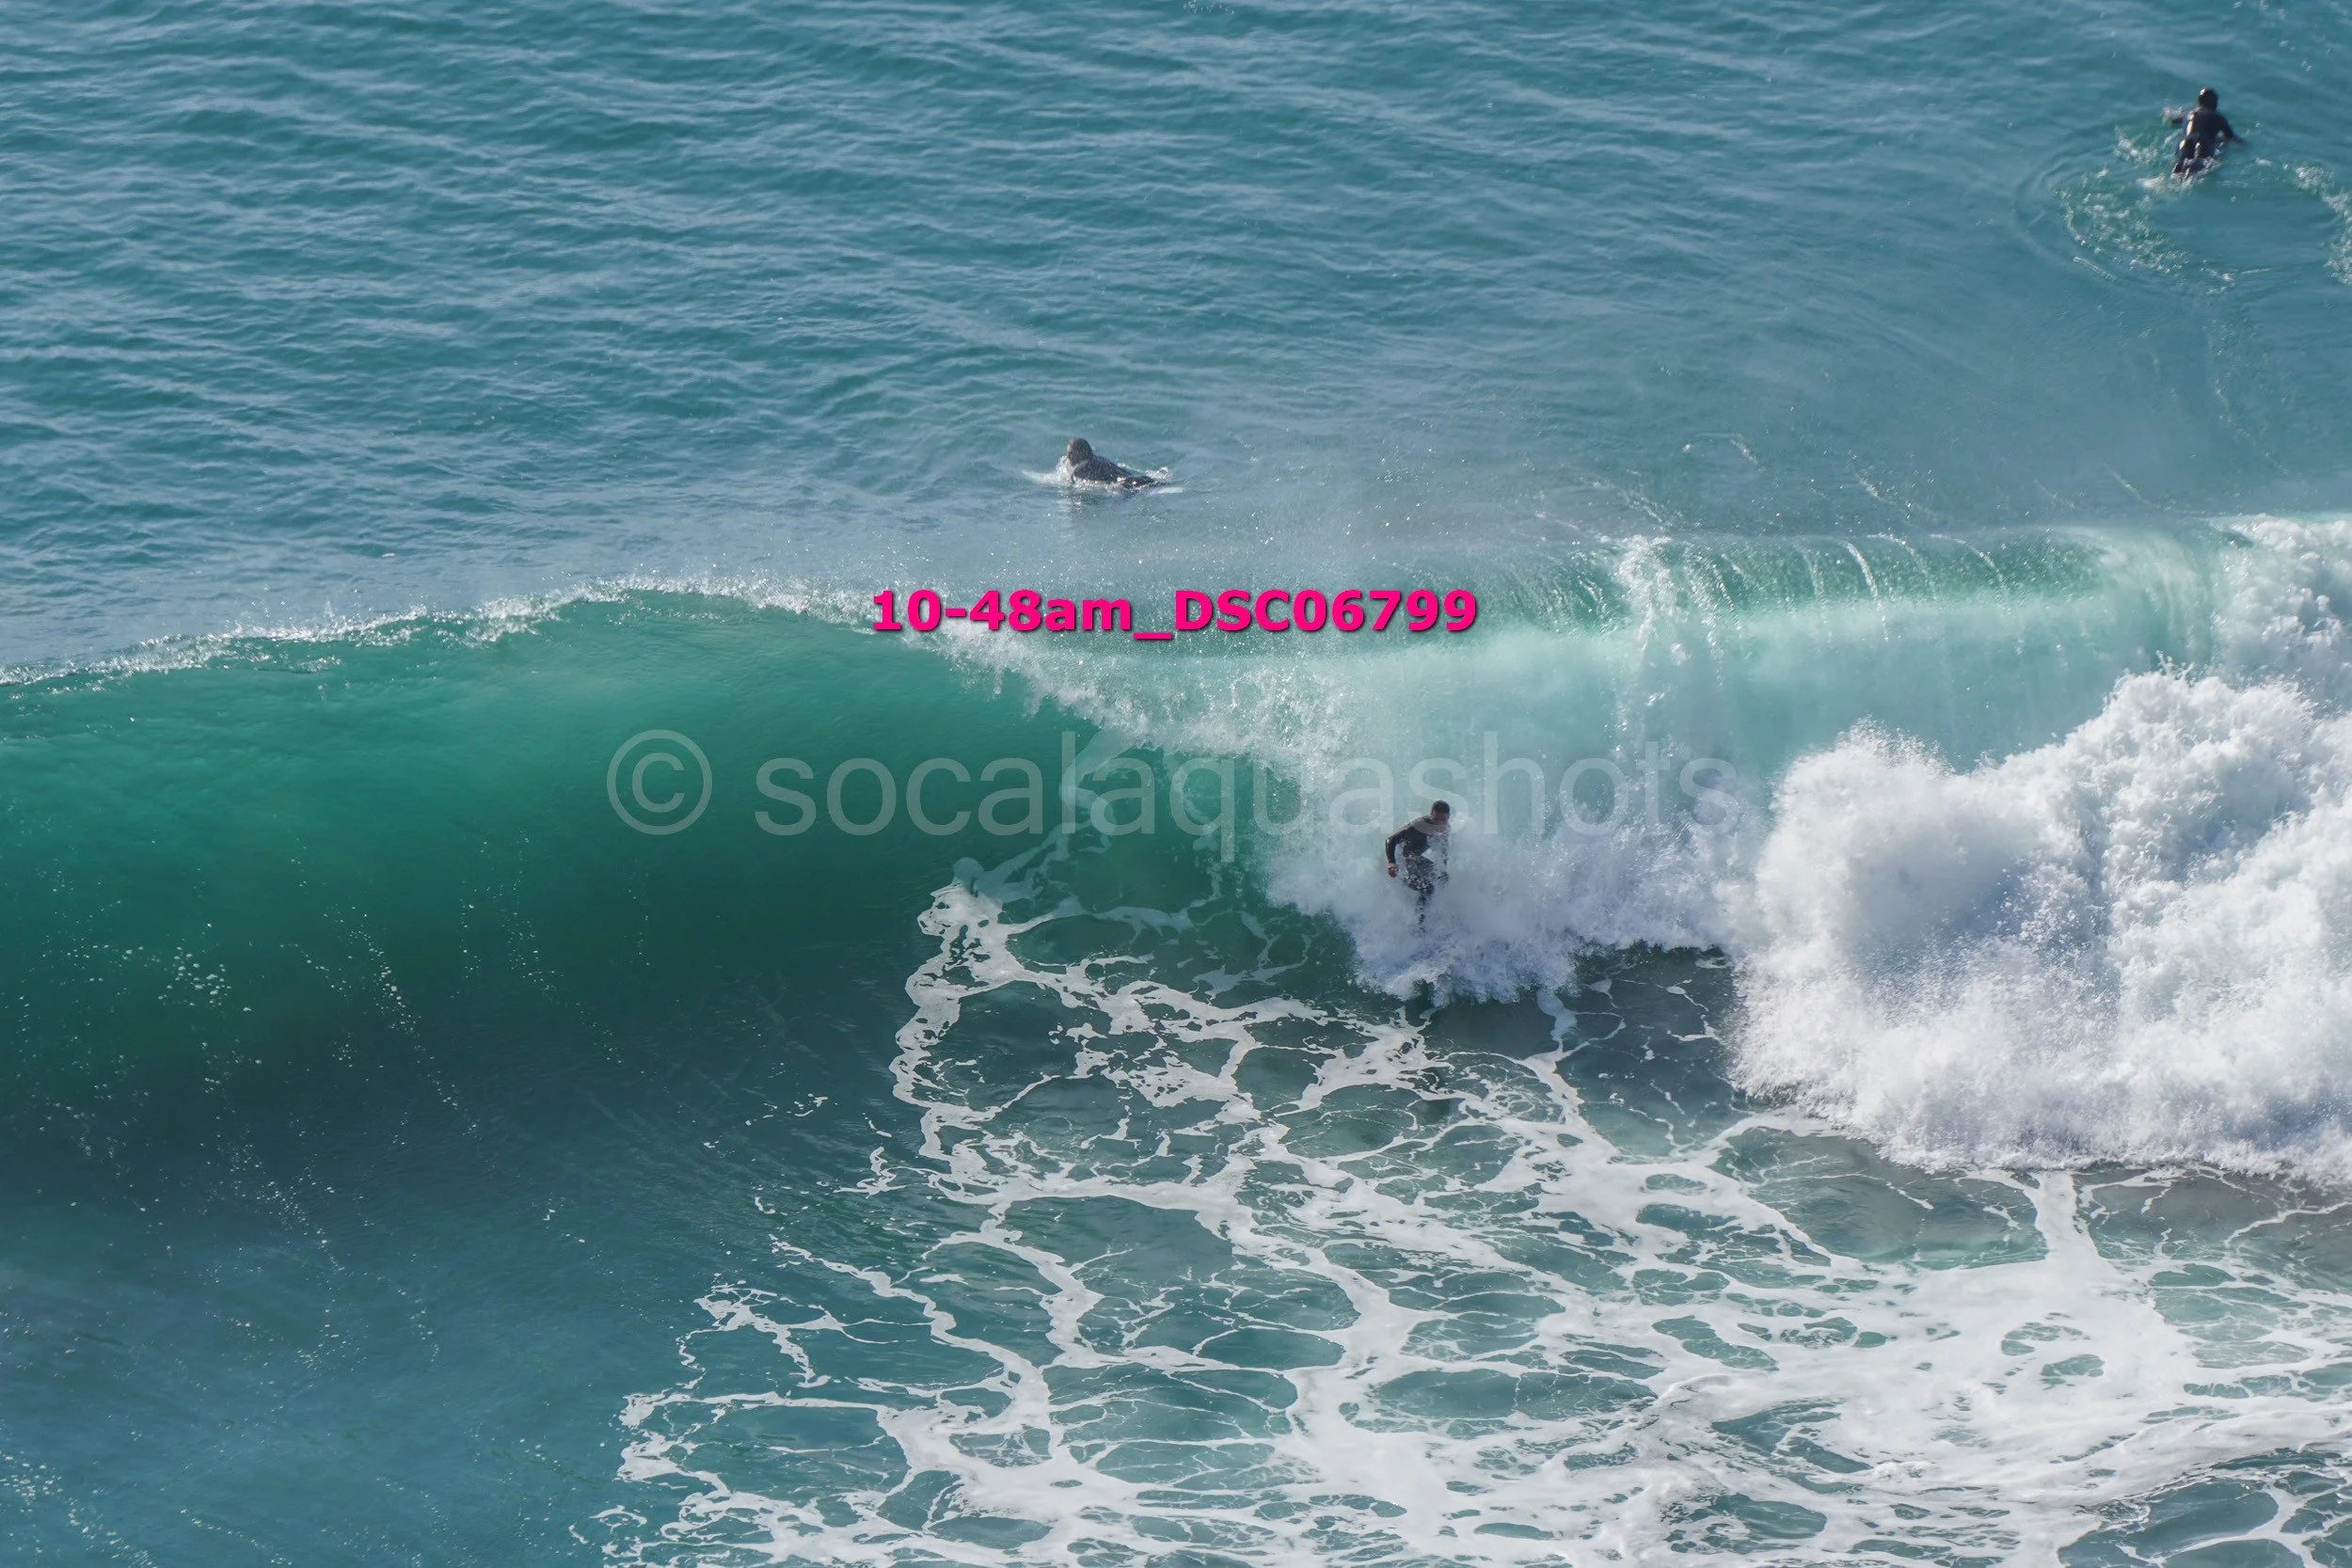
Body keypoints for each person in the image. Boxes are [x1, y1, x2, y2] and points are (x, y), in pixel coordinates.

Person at [1385, 800, 1452, 923]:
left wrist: (1443, 866)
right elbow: (1390, 840)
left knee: (1444, 877)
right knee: (1428, 888)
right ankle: (1419, 922)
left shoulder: (1445, 829)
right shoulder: (1418, 825)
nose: (1439, 823)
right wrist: (1391, 862)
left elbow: (1444, 848)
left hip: (1415, 858)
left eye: (1443, 820)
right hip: (1402, 860)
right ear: (1431, 814)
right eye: (1436, 819)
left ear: (1448, 818)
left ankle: (1429, 908)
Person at [2167, 87, 2242, 178]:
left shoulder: (2189, 114)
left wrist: (2168, 110)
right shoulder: (2218, 117)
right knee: (2195, 169)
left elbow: (2173, 118)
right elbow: (2230, 136)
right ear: (2214, 103)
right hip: (2202, 143)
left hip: (2185, 142)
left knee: (2180, 167)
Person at [1057, 437, 1162, 489]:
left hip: (1126, 484)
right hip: (1134, 479)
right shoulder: (1099, 459)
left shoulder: (1083, 466)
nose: (1068, 457)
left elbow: (1071, 482)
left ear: (1082, 452)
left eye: (1071, 453)